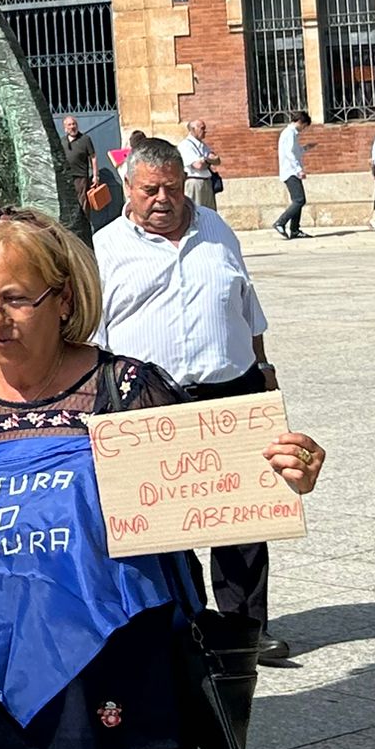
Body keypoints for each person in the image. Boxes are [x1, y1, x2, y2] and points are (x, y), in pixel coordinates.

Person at [0, 207, 324, 749]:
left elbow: (217, 483)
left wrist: (288, 470)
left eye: (16, 299)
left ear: (64, 299)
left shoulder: (126, 389)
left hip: (121, 685)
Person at [95, 139, 292, 664]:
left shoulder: (217, 229)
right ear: (128, 188)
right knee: (165, 524)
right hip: (149, 403)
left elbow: (246, 306)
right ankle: (186, 626)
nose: (163, 199)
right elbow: (95, 334)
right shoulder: (105, 247)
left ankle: (245, 629)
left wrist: (264, 369)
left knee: (242, 520)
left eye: (173, 188)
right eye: (150, 190)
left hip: (230, 390)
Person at [274, 111, 312, 240]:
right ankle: (280, 222)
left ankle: (295, 230)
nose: (303, 129)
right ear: (300, 122)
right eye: (304, 126)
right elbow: (290, 154)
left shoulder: (291, 134)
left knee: (297, 201)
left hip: (292, 171)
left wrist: (305, 148)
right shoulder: (289, 133)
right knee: (299, 200)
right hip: (290, 171)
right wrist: (298, 170)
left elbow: (295, 151)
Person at [176, 120, 219, 212]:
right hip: (194, 182)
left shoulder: (203, 145)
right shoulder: (186, 145)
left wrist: (205, 160)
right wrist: (208, 160)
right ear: (193, 129)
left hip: (207, 181)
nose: (205, 131)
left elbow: (217, 160)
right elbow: (198, 165)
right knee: (195, 211)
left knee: (210, 212)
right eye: (202, 128)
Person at [60, 116, 97, 218]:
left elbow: (93, 157)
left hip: (81, 178)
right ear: (65, 128)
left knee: (83, 204)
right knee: (69, 203)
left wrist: (95, 175)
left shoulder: (85, 139)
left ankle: (84, 223)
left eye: (74, 124)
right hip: (67, 178)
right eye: (69, 125)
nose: (72, 127)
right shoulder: (62, 141)